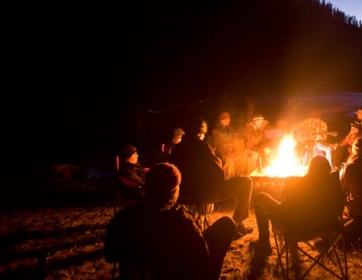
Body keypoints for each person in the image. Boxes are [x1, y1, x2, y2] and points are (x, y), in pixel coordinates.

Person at [105, 162, 236, 279]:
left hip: (142, 274)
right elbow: (203, 265)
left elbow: (110, 254)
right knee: (226, 225)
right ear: (174, 190)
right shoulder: (181, 223)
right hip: (176, 273)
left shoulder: (124, 217)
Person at [169, 117, 254, 238]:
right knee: (246, 182)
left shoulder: (176, 149)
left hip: (182, 195)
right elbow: (219, 176)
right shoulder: (202, 147)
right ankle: (238, 225)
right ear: (200, 133)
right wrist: (219, 162)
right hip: (202, 193)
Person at [251, 155, 345, 256]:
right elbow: (339, 208)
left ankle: (264, 242)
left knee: (260, 197)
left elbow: (286, 208)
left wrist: (280, 204)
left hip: (296, 226)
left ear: (310, 169)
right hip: (327, 225)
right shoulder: (333, 183)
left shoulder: (296, 183)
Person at [206, 111, 238, 177]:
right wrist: (226, 155)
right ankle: (229, 181)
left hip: (229, 153)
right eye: (228, 118)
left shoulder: (229, 129)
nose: (229, 120)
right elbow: (218, 145)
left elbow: (233, 141)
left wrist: (234, 151)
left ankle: (237, 179)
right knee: (230, 161)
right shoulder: (216, 131)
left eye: (229, 118)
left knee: (239, 159)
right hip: (222, 154)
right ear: (222, 120)